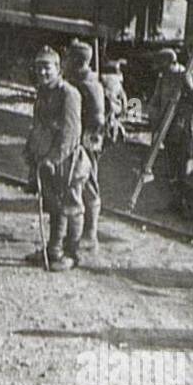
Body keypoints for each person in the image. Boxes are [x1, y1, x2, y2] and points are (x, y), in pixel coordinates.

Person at [24, 47, 88, 270]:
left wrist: (53, 158)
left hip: (67, 161)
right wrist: (31, 152)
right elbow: (38, 125)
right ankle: (53, 250)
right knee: (54, 204)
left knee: (71, 205)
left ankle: (72, 254)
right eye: (39, 67)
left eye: (47, 67)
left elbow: (70, 133)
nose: (42, 72)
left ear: (58, 69)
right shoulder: (43, 91)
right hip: (48, 160)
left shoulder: (68, 94)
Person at [147, 49, 193, 218]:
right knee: (172, 168)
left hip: (188, 130)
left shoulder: (191, 76)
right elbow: (155, 101)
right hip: (170, 129)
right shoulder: (163, 78)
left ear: (171, 64)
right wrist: (155, 116)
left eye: (165, 68)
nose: (164, 72)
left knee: (189, 169)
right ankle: (176, 202)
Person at [64, 41, 106, 255]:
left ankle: (90, 235)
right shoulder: (81, 80)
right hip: (81, 140)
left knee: (88, 184)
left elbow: (98, 118)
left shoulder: (89, 85)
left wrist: (84, 142)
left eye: (69, 58)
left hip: (87, 142)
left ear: (77, 61)